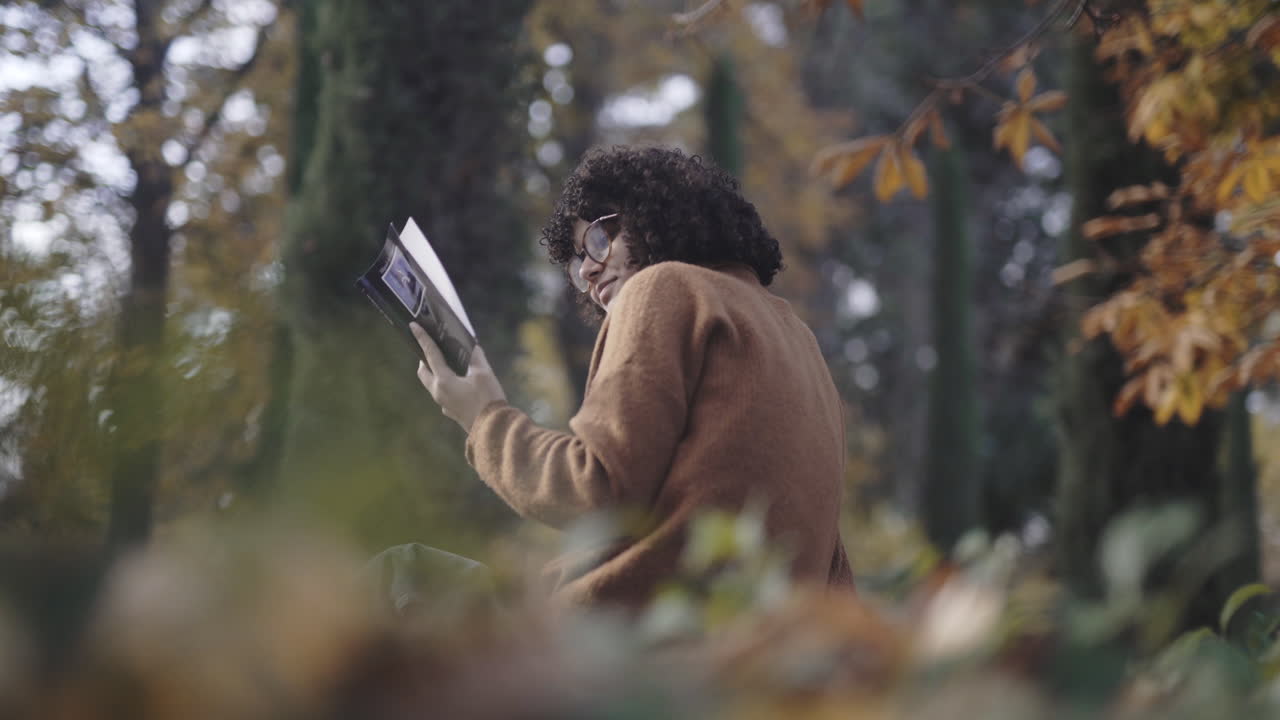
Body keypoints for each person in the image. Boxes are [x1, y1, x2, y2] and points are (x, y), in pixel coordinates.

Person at [412, 145, 853, 609]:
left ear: (657, 215)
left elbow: (595, 488)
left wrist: (484, 418)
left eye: (600, 239)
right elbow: (830, 561)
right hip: (760, 643)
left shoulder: (665, 288)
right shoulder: (799, 340)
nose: (586, 269)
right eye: (577, 260)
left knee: (401, 573)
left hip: (643, 635)